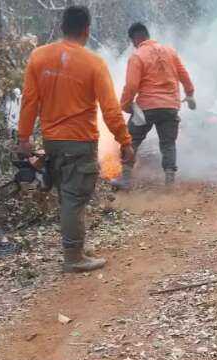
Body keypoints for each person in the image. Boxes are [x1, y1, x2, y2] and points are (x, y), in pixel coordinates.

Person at [18, 5, 134, 273]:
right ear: (86, 30)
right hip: (79, 142)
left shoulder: (39, 56)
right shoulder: (93, 62)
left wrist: (24, 138)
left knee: (67, 195)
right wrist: (125, 142)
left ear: (62, 27)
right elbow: (110, 109)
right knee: (74, 198)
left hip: (52, 142)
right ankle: (73, 257)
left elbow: (29, 101)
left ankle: (76, 247)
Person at [114, 22, 196, 189]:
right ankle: (169, 183)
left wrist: (126, 105)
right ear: (147, 35)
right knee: (168, 144)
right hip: (170, 106)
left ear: (135, 39)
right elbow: (184, 76)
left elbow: (131, 86)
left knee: (130, 141)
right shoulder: (170, 52)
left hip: (147, 107)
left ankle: (126, 179)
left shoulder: (137, 56)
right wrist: (190, 94)